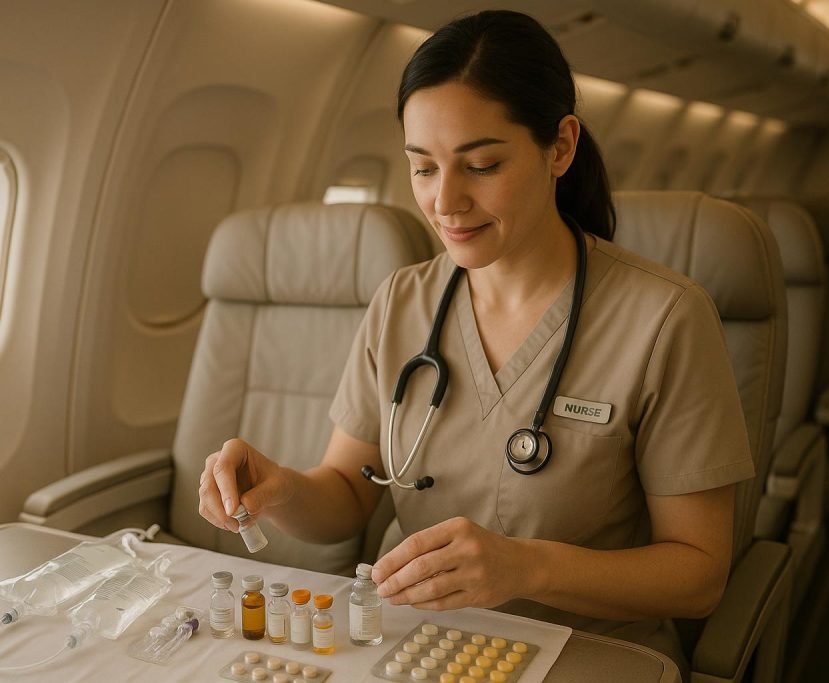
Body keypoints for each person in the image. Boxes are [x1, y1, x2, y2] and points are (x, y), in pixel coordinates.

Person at [197, 10, 753, 674]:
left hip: (588, 654)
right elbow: (348, 494)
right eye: (423, 169)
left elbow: (697, 575)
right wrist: (281, 487)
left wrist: (525, 565)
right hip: (414, 644)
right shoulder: (401, 303)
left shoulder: (665, 317)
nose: (445, 201)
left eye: (482, 164)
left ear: (561, 147)